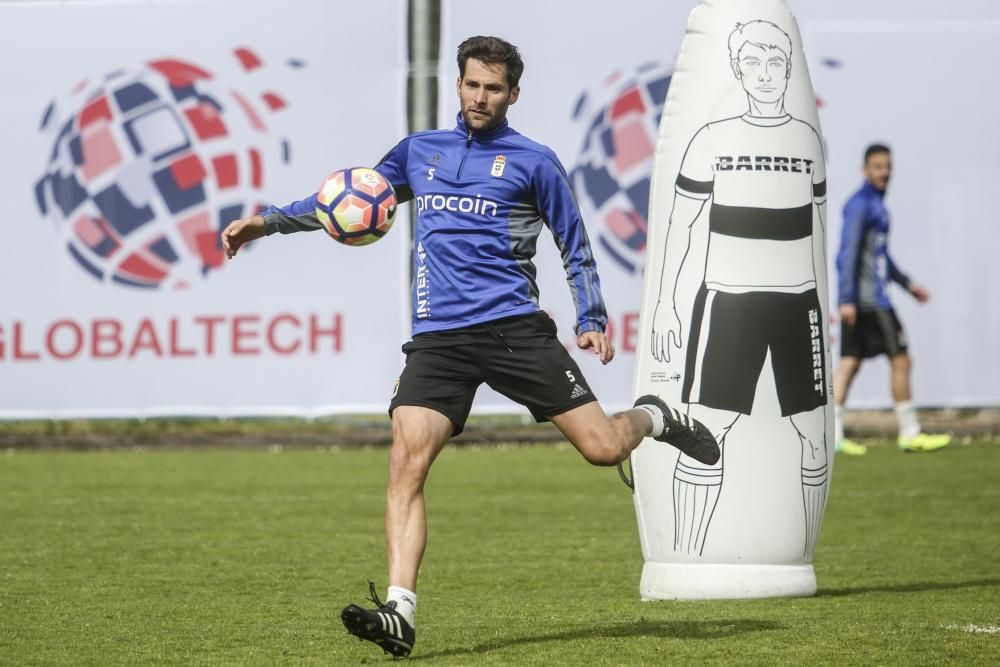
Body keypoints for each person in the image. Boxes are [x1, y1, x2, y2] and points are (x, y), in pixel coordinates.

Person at [220, 36, 719, 658]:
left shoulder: (535, 162)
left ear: (513, 93)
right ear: (457, 85)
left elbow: (576, 244)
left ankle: (654, 415)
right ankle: (400, 611)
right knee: (406, 461)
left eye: (493, 88)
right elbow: (349, 202)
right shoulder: (418, 152)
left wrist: (589, 316)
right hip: (439, 340)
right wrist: (266, 222)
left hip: (514, 329)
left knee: (602, 447)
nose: (480, 97)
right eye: (471, 84)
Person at [649, 20, 830, 559]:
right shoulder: (712, 139)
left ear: (789, 68)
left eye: (776, 62)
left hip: (799, 306)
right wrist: (664, 305)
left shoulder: (805, 139)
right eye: (753, 62)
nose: (766, 74)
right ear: (736, 70)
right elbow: (679, 226)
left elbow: (819, 225)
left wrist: (826, 301)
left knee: (813, 434)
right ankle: (688, 557)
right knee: (706, 432)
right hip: (728, 302)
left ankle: (796, 557)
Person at [833, 144, 951, 455]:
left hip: (867, 299)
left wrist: (908, 285)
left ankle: (832, 437)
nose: (884, 172)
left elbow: (881, 257)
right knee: (901, 360)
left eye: (887, 166)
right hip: (872, 302)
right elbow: (847, 253)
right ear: (865, 170)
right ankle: (910, 433)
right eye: (877, 166)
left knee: (849, 363)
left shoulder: (877, 206)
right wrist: (846, 298)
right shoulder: (861, 205)